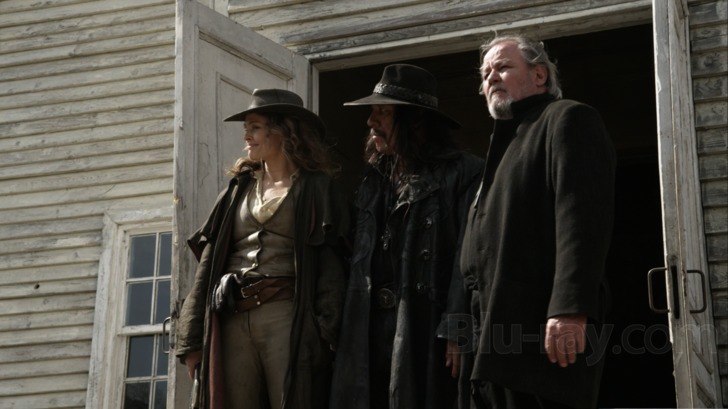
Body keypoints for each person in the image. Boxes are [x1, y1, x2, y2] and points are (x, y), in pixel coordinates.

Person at [459, 34, 616, 409]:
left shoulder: (567, 119)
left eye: (503, 67)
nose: (491, 77)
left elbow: (581, 220)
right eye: (485, 73)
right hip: (490, 334)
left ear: (540, 75)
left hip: (540, 331)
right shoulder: (504, 145)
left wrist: (569, 308)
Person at [175, 88, 351, 409]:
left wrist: (328, 333)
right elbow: (208, 267)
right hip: (232, 316)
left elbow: (332, 266)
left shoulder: (317, 188)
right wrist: (192, 339)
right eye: (247, 129)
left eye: (255, 128)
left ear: (284, 131)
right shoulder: (237, 189)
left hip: (287, 316)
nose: (246, 136)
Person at [329, 64, 485, 409]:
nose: (371, 121)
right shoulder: (374, 179)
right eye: (372, 112)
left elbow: (469, 255)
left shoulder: (464, 172)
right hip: (369, 327)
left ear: (416, 120)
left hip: (424, 324)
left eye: (383, 112)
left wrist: (457, 325)